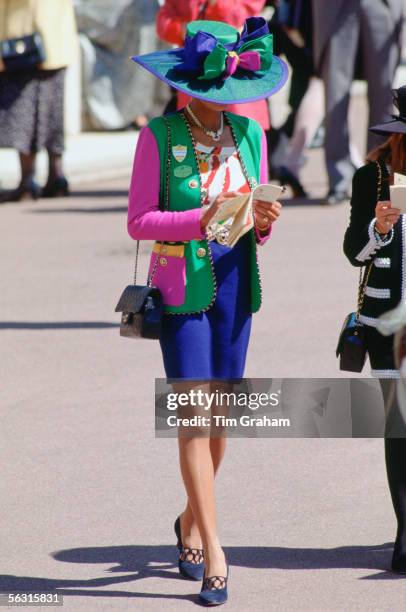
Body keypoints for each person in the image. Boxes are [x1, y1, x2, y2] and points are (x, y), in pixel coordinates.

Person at [128, 17, 287, 604]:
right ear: (187, 85)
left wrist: (262, 222)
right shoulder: (157, 136)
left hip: (237, 282)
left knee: (222, 418)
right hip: (180, 286)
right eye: (214, 92)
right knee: (194, 415)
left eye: (233, 96)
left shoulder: (251, 137)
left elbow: (254, 221)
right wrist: (202, 218)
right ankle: (215, 552)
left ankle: (191, 519)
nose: (224, 103)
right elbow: (139, 221)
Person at [343, 85, 406, 573]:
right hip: (387, 323)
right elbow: (353, 253)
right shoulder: (373, 179)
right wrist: (379, 229)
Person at [312, 0, 403, 204]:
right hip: (336, 7)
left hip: (383, 5)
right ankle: (338, 180)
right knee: (335, 96)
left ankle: (378, 178)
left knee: (384, 97)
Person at [0, 0, 77, 202]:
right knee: (52, 113)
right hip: (56, 38)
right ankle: (56, 176)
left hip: (21, 40)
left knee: (21, 113)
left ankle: (27, 180)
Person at [156, 0, 270, 131]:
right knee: (193, 133)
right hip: (194, 78)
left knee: (239, 135)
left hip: (233, 76)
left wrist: (217, 4)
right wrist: (188, 32)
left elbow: (238, 18)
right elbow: (164, 23)